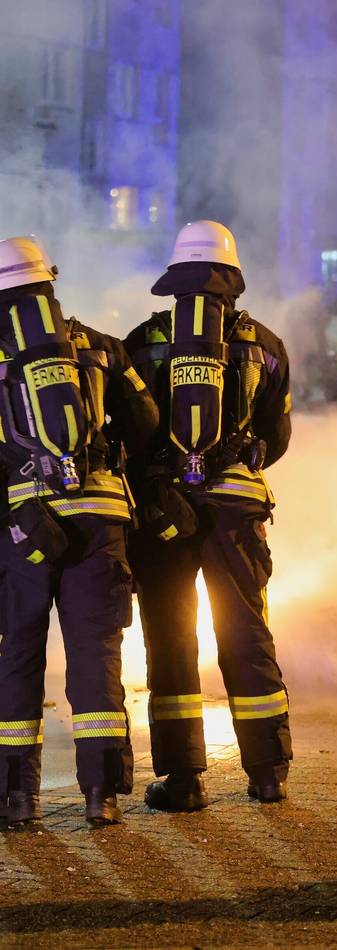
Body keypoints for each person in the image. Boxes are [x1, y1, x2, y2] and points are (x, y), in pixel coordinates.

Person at [124, 221, 293, 812]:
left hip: (164, 516)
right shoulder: (265, 345)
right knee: (246, 632)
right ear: (232, 279)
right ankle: (267, 773)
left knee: (171, 639)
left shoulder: (143, 342)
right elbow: (277, 437)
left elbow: (129, 432)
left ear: (174, 280)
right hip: (236, 512)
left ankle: (184, 780)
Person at [0, 235, 159, 826]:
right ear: (49, 282)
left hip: (24, 531)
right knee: (96, 654)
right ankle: (101, 796)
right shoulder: (98, 346)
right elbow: (146, 422)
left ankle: (18, 798)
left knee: (18, 654)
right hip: (100, 521)